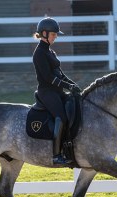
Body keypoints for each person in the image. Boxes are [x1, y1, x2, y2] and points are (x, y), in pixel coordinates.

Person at [32, 17, 81, 165]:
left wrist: (73, 85)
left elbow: (60, 74)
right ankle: (56, 155)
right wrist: (67, 86)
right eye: (53, 34)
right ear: (44, 33)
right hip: (47, 92)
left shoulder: (50, 52)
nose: (56, 36)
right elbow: (47, 77)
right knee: (62, 117)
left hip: (57, 91)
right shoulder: (39, 53)